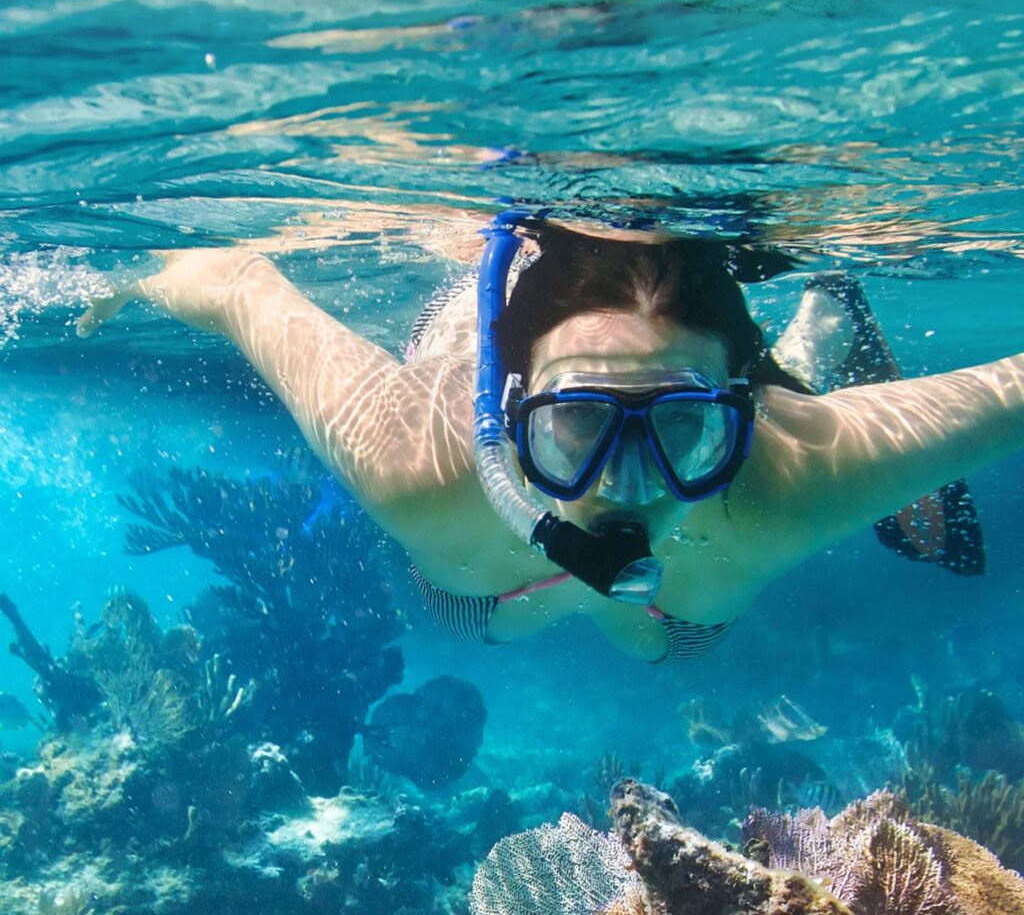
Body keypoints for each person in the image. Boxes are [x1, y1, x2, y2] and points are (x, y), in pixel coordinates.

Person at [77, 217, 1021, 663]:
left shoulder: (793, 473)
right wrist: (136, 279)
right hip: (498, 591)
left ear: (737, 415)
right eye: (578, 423)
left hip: (662, 618)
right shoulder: (418, 461)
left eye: (686, 429)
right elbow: (242, 282)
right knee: (557, 623)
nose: (628, 486)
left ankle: (821, 317)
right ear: (512, 409)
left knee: (656, 644)